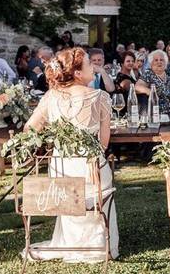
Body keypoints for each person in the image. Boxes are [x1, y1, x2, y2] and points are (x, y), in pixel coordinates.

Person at [23, 47, 118, 262]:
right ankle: (99, 245)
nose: (93, 67)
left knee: (72, 182)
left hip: (61, 171)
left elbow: (29, 130)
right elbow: (103, 143)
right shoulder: (100, 97)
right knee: (101, 175)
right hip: (91, 172)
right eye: (88, 64)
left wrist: (55, 140)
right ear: (77, 73)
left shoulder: (51, 97)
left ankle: (71, 242)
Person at [135, 49, 170, 114]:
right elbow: (137, 87)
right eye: (156, 60)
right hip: (159, 114)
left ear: (166, 62)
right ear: (151, 63)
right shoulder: (148, 74)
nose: (159, 62)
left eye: (161, 60)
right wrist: (150, 92)